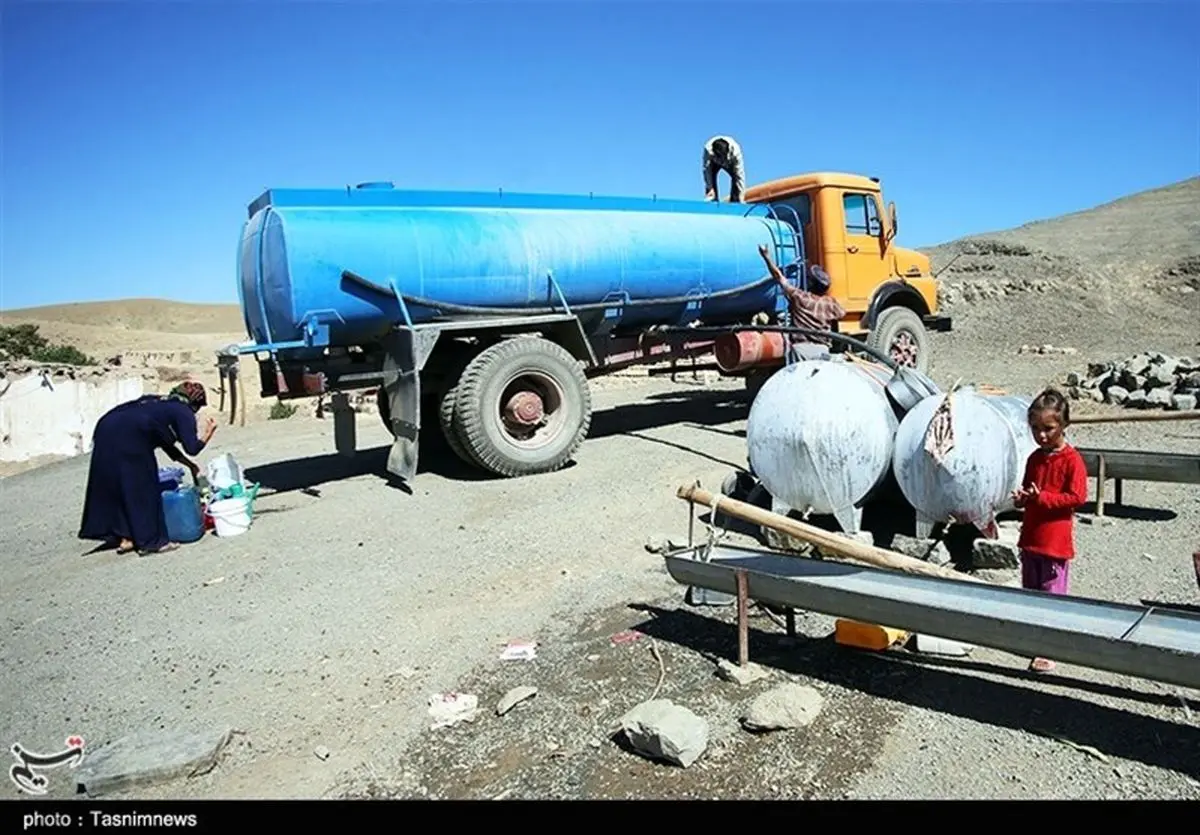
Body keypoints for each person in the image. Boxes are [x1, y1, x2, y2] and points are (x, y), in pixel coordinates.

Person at [78, 381, 217, 556]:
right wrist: (208, 432)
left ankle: (126, 538)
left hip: (106, 427)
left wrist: (191, 466)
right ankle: (151, 542)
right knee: (143, 489)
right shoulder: (183, 411)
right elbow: (192, 448)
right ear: (194, 403)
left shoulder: (158, 403)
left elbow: (167, 445)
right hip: (131, 437)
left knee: (117, 486)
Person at [1011, 387, 1089, 673]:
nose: (1041, 435)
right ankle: (1035, 640)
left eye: (1048, 428)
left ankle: (1050, 647)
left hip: (1054, 541)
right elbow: (1031, 491)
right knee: (1031, 593)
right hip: (1032, 538)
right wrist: (1022, 500)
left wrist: (1041, 497)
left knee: (1052, 595)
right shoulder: (1034, 458)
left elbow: (1077, 497)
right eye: (1035, 428)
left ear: (1064, 425)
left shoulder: (1072, 461)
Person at [757, 243, 846, 360]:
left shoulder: (800, 298)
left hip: (801, 350)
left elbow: (779, 277)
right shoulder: (830, 303)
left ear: (810, 284)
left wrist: (766, 256)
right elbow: (842, 314)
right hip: (822, 350)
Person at [703, 136, 746, 203]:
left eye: (722, 160)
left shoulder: (736, 153)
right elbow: (707, 171)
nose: (721, 163)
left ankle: (735, 203)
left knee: (736, 182)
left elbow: (740, 176)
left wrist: (741, 198)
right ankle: (712, 202)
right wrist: (710, 188)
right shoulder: (708, 150)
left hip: (730, 162)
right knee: (710, 186)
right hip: (713, 164)